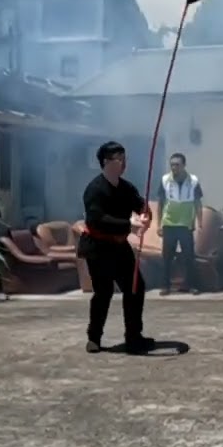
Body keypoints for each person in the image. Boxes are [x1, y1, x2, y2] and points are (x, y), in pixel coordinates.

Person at [78, 141, 155, 353]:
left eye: (124, 158)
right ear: (105, 162)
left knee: (135, 288)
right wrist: (129, 224)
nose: (123, 163)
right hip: (98, 247)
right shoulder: (94, 190)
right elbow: (98, 219)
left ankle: (133, 336)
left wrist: (145, 215)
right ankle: (94, 338)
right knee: (104, 292)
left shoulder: (126, 188)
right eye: (118, 159)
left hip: (120, 247)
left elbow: (140, 204)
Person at [157, 153, 203, 295]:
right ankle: (165, 286)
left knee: (189, 256)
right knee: (167, 256)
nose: (174, 167)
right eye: (172, 164)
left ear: (183, 166)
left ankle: (190, 285)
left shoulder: (193, 181)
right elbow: (160, 203)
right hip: (169, 223)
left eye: (177, 164)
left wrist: (200, 223)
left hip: (186, 223)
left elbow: (197, 203)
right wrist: (158, 225)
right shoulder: (165, 180)